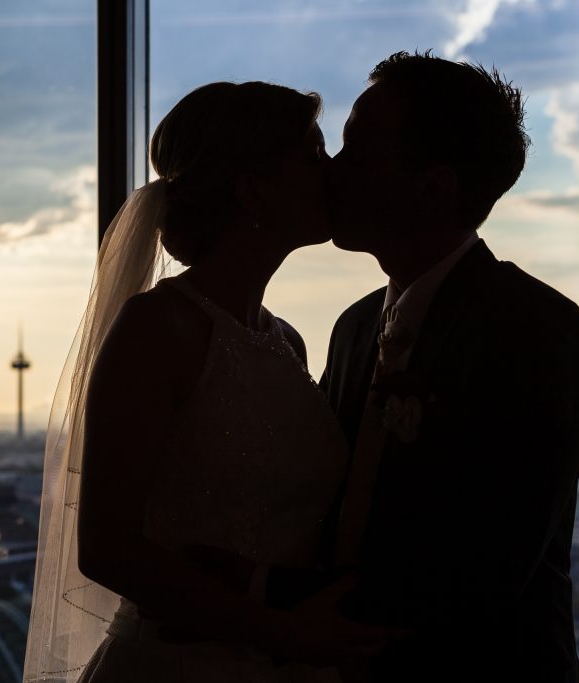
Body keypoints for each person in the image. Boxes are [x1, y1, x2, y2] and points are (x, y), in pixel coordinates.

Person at [24, 81, 394, 682]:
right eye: (312, 156)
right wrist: (282, 633)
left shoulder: (288, 342)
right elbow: (108, 548)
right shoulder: (157, 328)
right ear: (253, 190)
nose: (331, 173)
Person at [322, 51, 579, 682]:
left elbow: (484, 566)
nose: (332, 173)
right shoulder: (353, 328)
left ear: (434, 186)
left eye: (357, 151)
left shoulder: (534, 328)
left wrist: (253, 598)